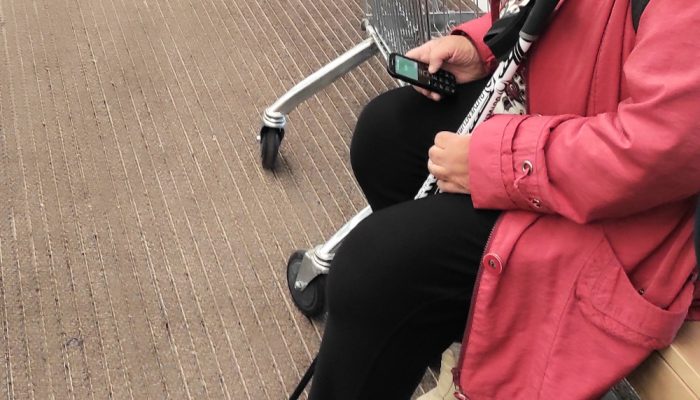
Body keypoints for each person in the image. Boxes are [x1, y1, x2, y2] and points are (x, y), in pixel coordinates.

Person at [307, 0, 700, 398]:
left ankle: (478, 356)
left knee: (374, 269)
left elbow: (663, 145)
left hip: (636, 219)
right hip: (561, 133)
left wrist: (496, 161)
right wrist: (485, 44)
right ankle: (458, 338)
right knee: (386, 138)